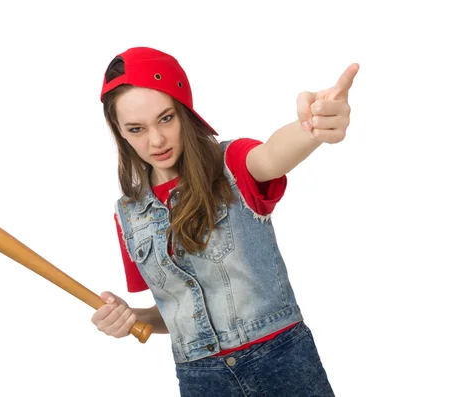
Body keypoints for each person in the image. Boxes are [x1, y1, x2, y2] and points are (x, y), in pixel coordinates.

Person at [91, 46, 358, 396]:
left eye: (166, 118)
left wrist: (311, 127)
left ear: (184, 110)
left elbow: (272, 155)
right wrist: (132, 318)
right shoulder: (129, 215)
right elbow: (180, 308)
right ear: (120, 132)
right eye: (136, 129)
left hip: (281, 362)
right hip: (201, 380)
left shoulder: (232, 165)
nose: (155, 140)